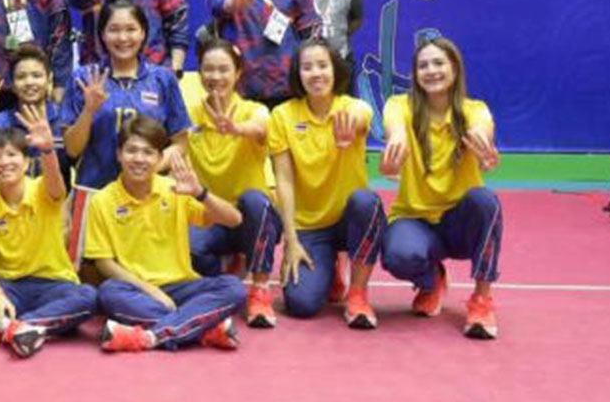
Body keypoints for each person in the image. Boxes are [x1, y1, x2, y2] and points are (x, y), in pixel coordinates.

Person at [0, 114, 98, 358]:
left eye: (12, 155)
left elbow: (55, 182)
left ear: (25, 163)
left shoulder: (43, 189)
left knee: (88, 296)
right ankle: (25, 327)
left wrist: (48, 150)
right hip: (8, 286)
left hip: (52, 285)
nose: (4, 162)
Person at [85, 115, 247, 352]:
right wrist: (153, 291)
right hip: (138, 291)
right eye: (132, 151)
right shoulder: (102, 200)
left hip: (184, 285)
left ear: (160, 158)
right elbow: (105, 264)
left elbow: (234, 219)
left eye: (148, 152)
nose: (139, 159)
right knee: (108, 294)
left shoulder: (174, 189)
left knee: (234, 288)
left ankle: (152, 336)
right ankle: (203, 328)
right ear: (119, 154)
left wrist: (201, 193)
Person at [379, 37, 502, 339]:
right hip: (416, 219)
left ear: (455, 69)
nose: (431, 70)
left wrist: (482, 142)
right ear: (415, 74)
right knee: (396, 255)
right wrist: (397, 138)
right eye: (423, 65)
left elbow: (482, 126)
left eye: (439, 63)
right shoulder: (400, 106)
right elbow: (393, 123)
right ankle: (430, 279)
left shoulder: (474, 110)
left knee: (485, 200)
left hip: (459, 224)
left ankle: (482, 299)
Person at [268, 40, 383, 328]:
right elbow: (283, 180)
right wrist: (291, 242)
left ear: (335, 70)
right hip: (311, 226)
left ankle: (357, 292)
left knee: (366, 202)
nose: (316, 73)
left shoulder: (353, 107)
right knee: (301, 304)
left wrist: (349, 131)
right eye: (307, 67)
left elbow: (361, 118)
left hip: (349, 220)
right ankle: (329, 267)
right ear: (298, 74)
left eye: (323, 65)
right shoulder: (282, 116)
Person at [64, 0, 192, 223]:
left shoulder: (163, 79)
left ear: (143, 33)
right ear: (102, 34)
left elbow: (181, 143)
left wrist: (148, 169)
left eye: (131, 29)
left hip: (149, 197)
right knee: (92, 258)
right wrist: (89, 111)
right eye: (114, 30)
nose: (123, 38)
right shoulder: (83, 78)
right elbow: (72, 150)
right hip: (94, 192)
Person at [187, 39, 281, 329]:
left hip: (252, 220)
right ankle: (226, 279)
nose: (215, 77)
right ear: (200, 73)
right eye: (208, 69)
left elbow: (261, 128)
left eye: (223, 69)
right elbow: (173, 149)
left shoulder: (255, 111)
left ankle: (260, 290)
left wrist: (235, 128)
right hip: (212, 218)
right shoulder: (191, 115)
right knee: (191, 245)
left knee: (256, 200)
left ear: (238, 72)